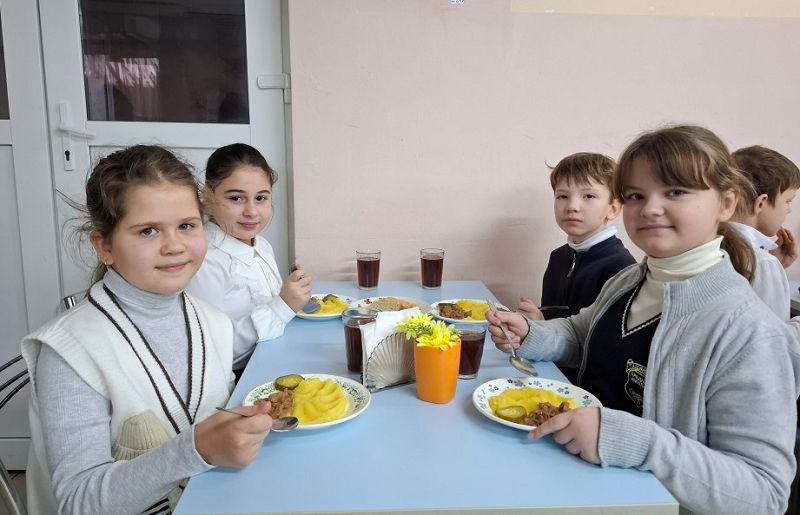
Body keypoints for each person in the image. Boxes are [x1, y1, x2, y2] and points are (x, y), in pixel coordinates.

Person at [487, 126, 799, 514]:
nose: (650, 208)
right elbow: (581, 334)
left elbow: (764, 494)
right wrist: (532, 333)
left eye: (676, 191)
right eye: (636, 195)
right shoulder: (630, 279)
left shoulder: (747, 330)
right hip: (570, 477)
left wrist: (633, 441)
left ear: (726, 202)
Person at [21, 146, 273, 515]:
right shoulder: (71, 350)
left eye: (186, 226)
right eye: (148, 231)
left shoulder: (214, 324)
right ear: (104, 246)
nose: (174, 246)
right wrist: (195, 450)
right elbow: (77, 502)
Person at [186, 143, 312, 374]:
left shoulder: (261, 245)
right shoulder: (205, 261)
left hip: (276, 355)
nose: (251, 211)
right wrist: (282, 306)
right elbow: (212, 350)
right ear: (207, 196)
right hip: (239, 377)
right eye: (236, 198)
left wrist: (292, 294)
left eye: (261, 198)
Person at [518, 153, 635, 382]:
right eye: (562, 196)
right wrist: (539, 319)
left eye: (588, 196)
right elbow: (555, 320)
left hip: (584, 386)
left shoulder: (621, 268)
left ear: (613, 209)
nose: (572, 206)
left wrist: (541, 325)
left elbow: (605, 348)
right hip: (547, 370)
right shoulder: (559, 256)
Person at [729, 145, 799, 319]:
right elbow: (774, 333)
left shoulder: (710, 242)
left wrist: (775, 267)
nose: (789, 210)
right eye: (788, 201)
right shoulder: (762, 263)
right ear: (761, 203)